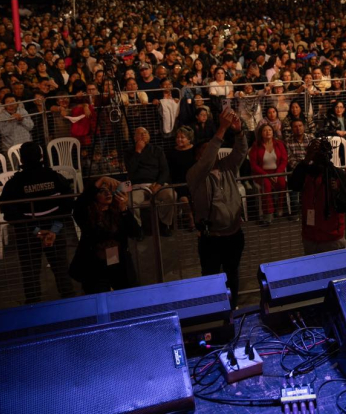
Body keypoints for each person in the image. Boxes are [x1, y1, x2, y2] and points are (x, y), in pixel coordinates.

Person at [0, 142, 76, 304]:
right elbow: (68, 204)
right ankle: (71, 308)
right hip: (55, 232)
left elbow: (10, 213)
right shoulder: (56, 177)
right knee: (62, 271)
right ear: (42, 157)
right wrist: (54, 230)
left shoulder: (13, 184)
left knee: (30, 274)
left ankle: (33, 312)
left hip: (27, 235)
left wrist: (37, 232)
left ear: (21, 159)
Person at [186, 109, 247, 308]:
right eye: (204, 152)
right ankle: (212, 310)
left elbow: (240, 152)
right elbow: (207, 159)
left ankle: (233, 307)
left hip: (234, 234)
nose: (210, 154)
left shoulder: (226, 166)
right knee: (210, 277)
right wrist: (221, 128)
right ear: (198, 157)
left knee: (233, 273)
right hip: (212, 238)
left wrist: (238, 132)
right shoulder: (195, 174)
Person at [69, 177, 140, 293]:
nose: (108, 193)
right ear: (94, 195)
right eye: (102, 191)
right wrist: (101, 180)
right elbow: (80, 203)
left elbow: (136, 232)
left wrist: (124, 209)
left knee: (128, 294)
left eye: (109, 190)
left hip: (118, 261)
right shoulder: (86, 214)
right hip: (95, 265)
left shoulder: (118, 211)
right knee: (99, 297)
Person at [289, 137, 346, 255]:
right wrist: (305, 161)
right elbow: (294, 185)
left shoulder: (337, 175)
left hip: (332, 237)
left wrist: (336, 191)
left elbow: (344, 206)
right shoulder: (306, 172)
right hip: (310, 236)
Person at [124, 127, 175, 237]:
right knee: (130, 202)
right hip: (138, 186)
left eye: (145, 133)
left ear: (149, 136)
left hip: (156, 184)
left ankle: (165, 224)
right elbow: (130, 171)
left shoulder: (157, 150)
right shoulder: (129, 152)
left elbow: (165, 170)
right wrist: (137, 152)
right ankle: (138, 228)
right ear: (134, 137)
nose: (143, 135)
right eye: (139, 134)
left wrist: (159, 184)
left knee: (171, 195)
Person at [249, 124, 289, 221]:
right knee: (266, 185)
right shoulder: (256, 145)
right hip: (261, 173)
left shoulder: (279, 144)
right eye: (265, 130)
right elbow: (254, 165)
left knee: (282, 183)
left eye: (270, 130)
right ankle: (268, 213)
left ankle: (279, 207)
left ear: (273, 132)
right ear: (261, 133)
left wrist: (277, 173)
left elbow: (284, 160)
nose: (268, 132)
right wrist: (266, 175)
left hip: (277, 172)